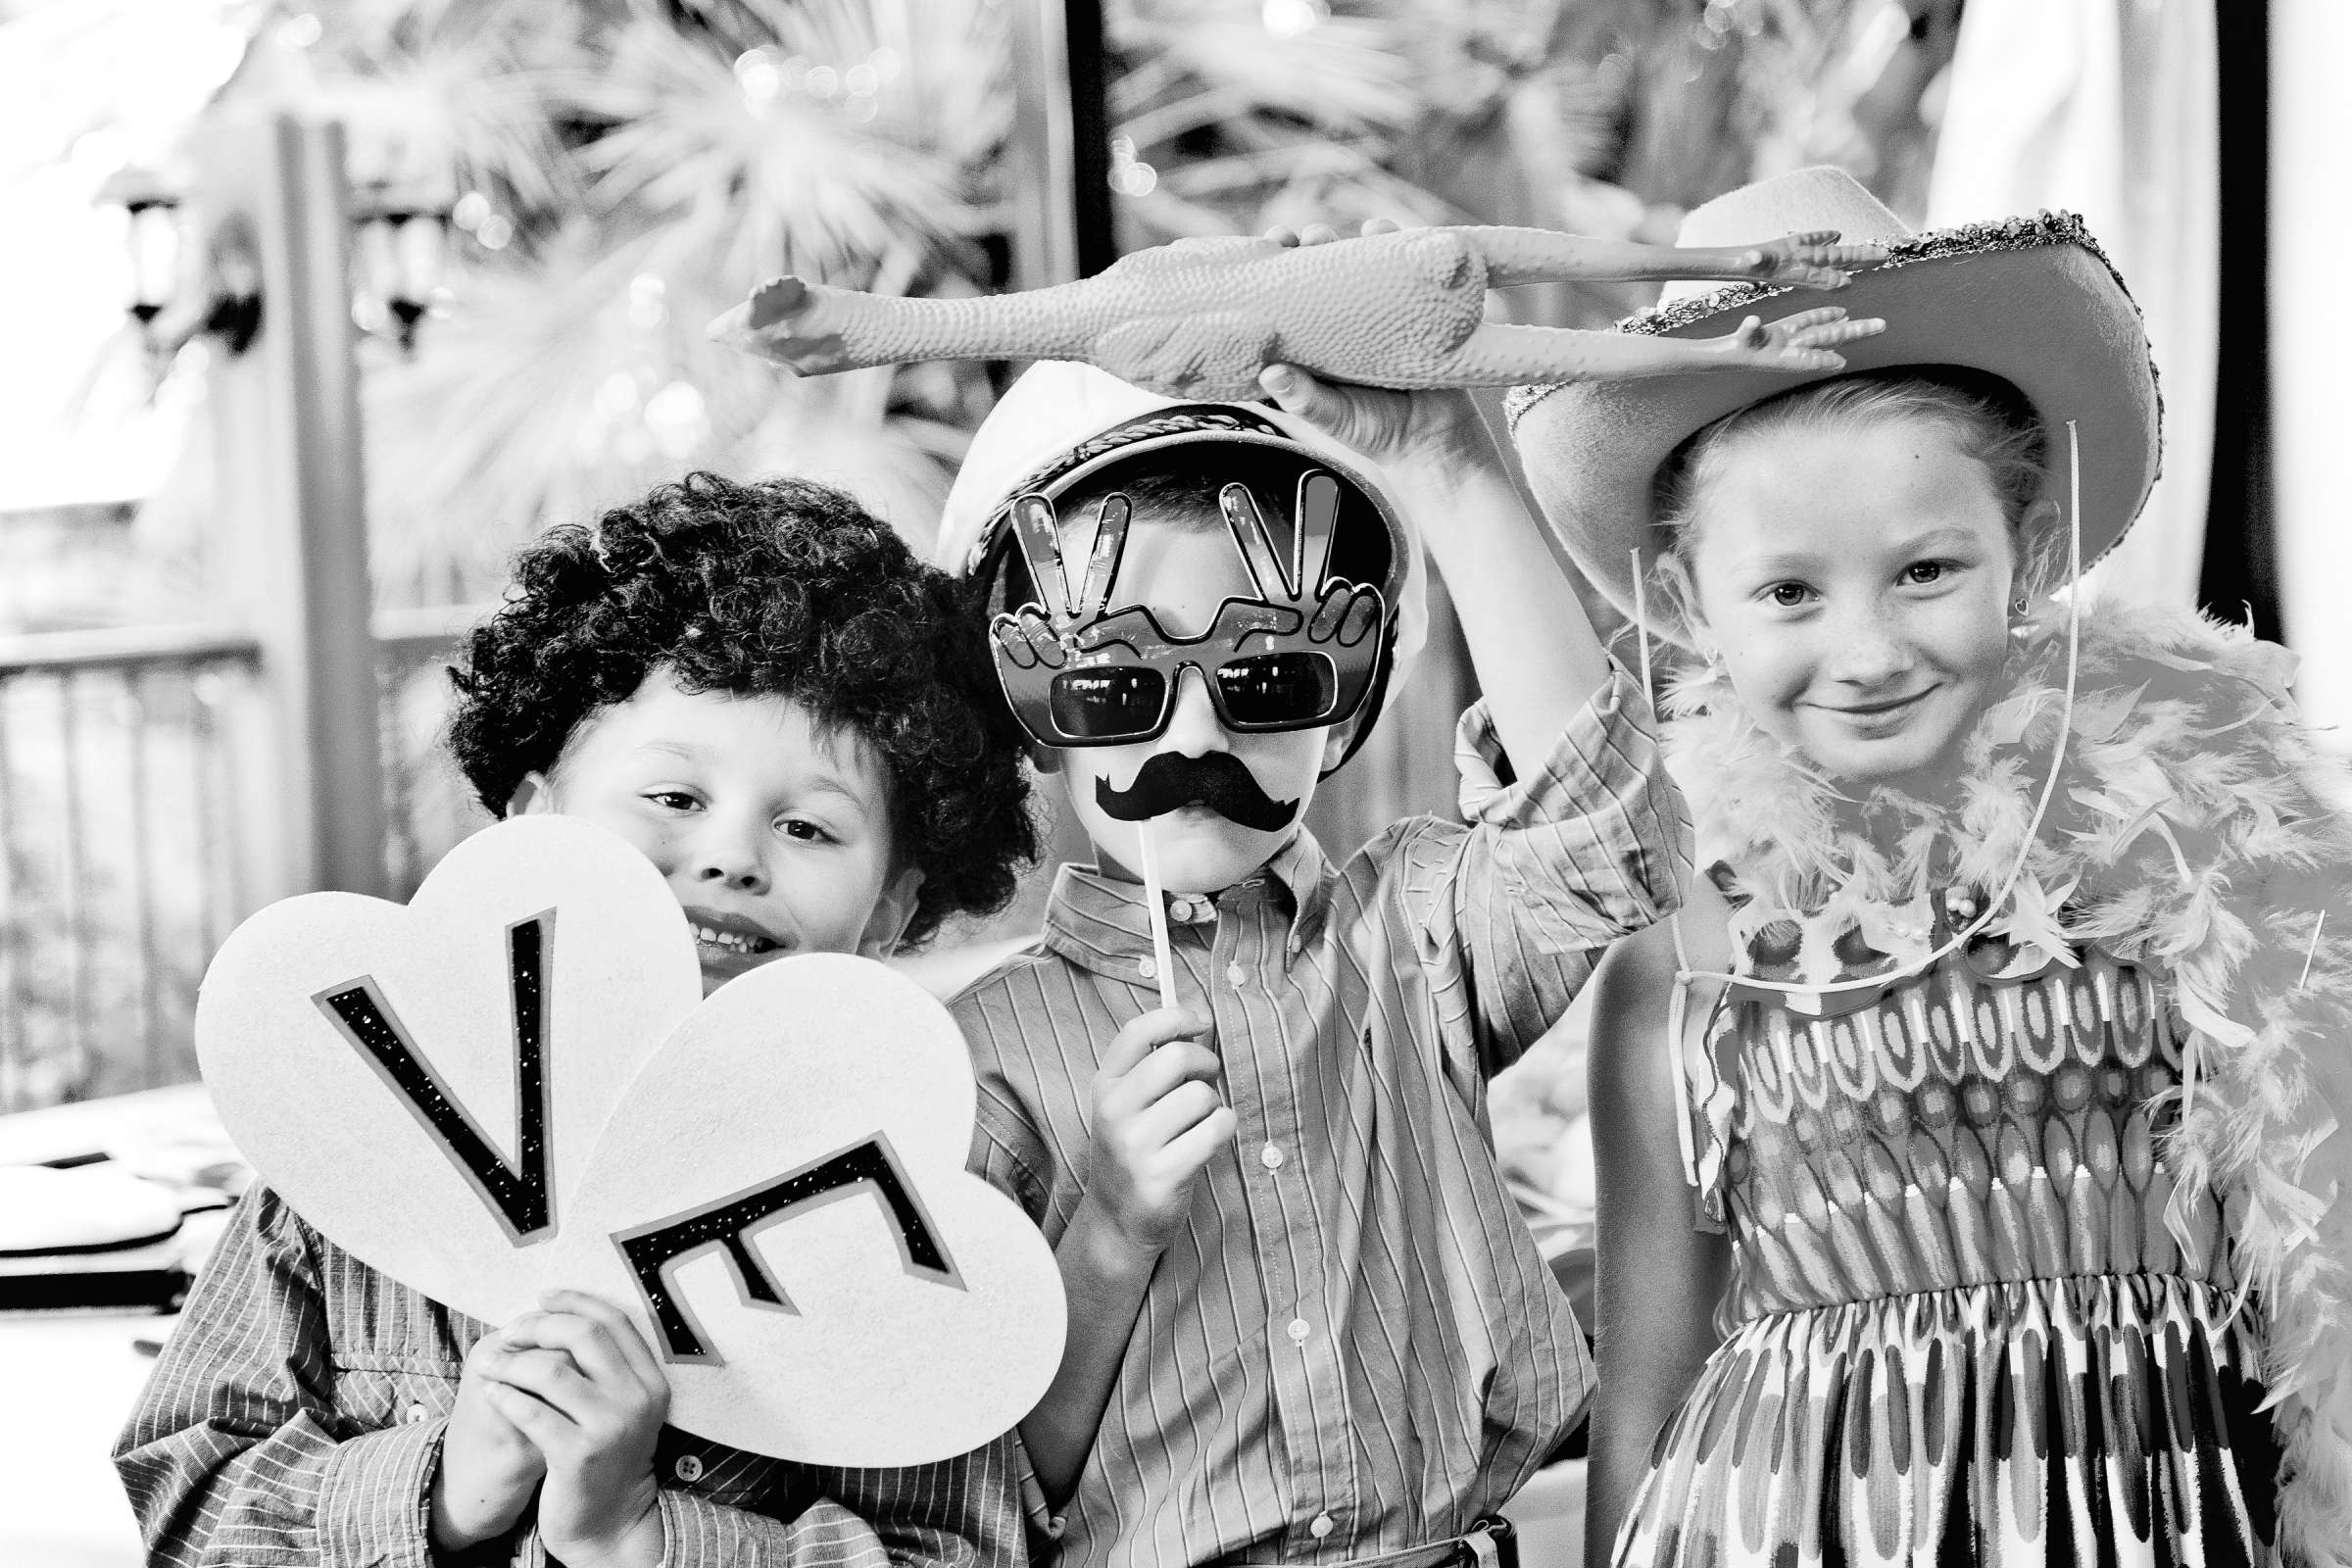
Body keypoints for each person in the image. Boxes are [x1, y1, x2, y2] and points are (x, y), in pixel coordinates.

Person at [933, 215, 1883, 1563]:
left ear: (1348, 699)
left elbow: (1606, 835)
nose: (1192, 746)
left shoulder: (1413, 935)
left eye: (1267, 682)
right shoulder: (980, 1065)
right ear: (1032, 710)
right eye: (1116, 690)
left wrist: (1441, 461)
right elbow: (982, 1487)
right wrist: (1110, 1235)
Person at [1507, 167, 2352, 1568]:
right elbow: (1644, 1391)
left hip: (2168, 1513)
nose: (1871, 650)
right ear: (1684, 603)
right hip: (1799, 1519)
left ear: (2023, 551)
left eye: (1925, 571)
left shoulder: (2195, 850)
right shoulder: (1683, 953)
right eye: (1789, 590)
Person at [115, 472, 1041, 1568]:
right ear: (534, 811)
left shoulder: (905, 1205)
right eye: (675, 798)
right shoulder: (357, 1128)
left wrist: (634, 1537)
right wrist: (450, 1489)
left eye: (806, 825)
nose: (733, 855)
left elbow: (961, 1553)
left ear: (889, 906)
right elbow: (186, 1504)